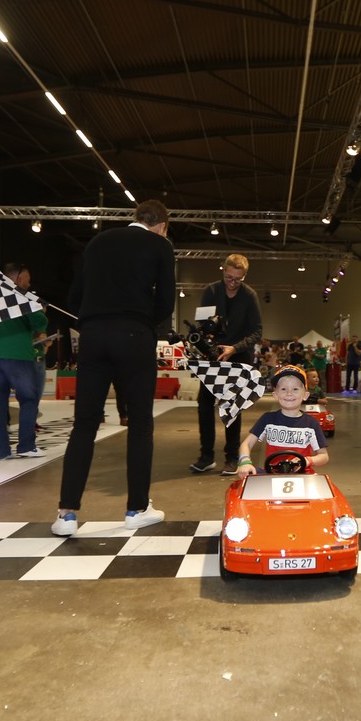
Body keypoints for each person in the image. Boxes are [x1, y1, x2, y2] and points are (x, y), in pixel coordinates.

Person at [55, 199, 176, 536]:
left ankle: (66, 514)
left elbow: (74, 297)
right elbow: (166, 301)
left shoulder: (97, 242)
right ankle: (137, 508)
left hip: (93, 335)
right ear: (162, 226)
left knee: (84, 423)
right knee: (140, 423)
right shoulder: (160, 245)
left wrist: (94, 319)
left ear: (136, 217)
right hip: (135, 334)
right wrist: (143, 322)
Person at [191, 253, 264, 476]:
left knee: (232, 407)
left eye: (237, 279)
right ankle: (206, 456)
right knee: (204, 404)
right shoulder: (211, 291)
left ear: (244, 276)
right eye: (228, 277)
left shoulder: (249, 296)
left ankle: (232, 457)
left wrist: (235, 347)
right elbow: (202, 324)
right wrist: (208, 342)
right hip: (213, 356)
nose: (232, 283)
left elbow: (257, 332)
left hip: (238, 356)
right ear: (223, 270)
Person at [0, 263, 49, 461]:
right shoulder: (19, 296)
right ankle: (26, 446)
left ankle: (0, 451)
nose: (29, 284)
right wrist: (41, 310)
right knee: (28, 400)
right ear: (18, 279)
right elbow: (40, 323)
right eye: (28, 279)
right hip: (17, 356)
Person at [235, 366, 330, 478]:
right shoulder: (268, 419)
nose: (289, 393)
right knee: (244, 482)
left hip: (303, 475)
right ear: (275, 395)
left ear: (305, 395)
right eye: (283, 389)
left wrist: (307, 460)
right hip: (273, 473)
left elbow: (324, 456)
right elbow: (246, 444)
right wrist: (245, 462)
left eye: (295, 389)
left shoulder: (311, 423)